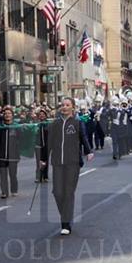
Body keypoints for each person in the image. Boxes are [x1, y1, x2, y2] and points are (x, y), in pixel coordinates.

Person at [41, 97, 94, 236]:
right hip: (58, 162)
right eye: (62, 105)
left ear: (73, 107)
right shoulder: (54, 124)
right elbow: (49, 143)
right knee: (57, 192)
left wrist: (88, 151)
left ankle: (65, 223)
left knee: (68, 192)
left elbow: (84, 137)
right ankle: (66, 215)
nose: (64, 107)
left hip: (72, 162)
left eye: (67, 105)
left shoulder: (77, 122)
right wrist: (43, 158)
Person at [0, 106, 21, 198]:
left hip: (13, 156)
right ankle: (4, 192)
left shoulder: (17, 126)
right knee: (3, 175)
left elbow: (23, 139)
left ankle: (14, 190)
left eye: (9, 113)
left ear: (12, 115)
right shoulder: (0, 127)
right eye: (5, 114)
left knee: (13, 175)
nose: (7, 115)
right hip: (1, 155)